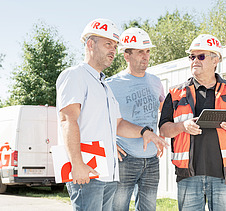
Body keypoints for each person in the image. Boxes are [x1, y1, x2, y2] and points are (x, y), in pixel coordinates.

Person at [56, 19, 168, 211]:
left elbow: (119, 124)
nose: (113, 50)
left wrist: (145, 132)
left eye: (115, 46)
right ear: (90, 44)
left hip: (108, 172)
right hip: (87, 169)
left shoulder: (103, 85)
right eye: (108, 44)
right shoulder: (75, 75)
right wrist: (77, 163)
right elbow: (68, 120)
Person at [158, 34, 226, 211]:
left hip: (225, 177)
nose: (195, 60)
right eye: (192, 57)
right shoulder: (175, 93)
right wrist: (182, 126)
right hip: (188, 177)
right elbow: (164, 130)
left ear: (215, 59)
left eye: (200, 56)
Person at [107, 28, 165, 211]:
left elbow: (164, 113)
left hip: (151, 159)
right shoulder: (110, 84)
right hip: (125, 158)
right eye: (140, 52)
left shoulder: (156, 82)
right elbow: (97, 118)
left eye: (147, 51)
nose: (145, 56)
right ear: (126, 55)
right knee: (117, 208)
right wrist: (107, 142)